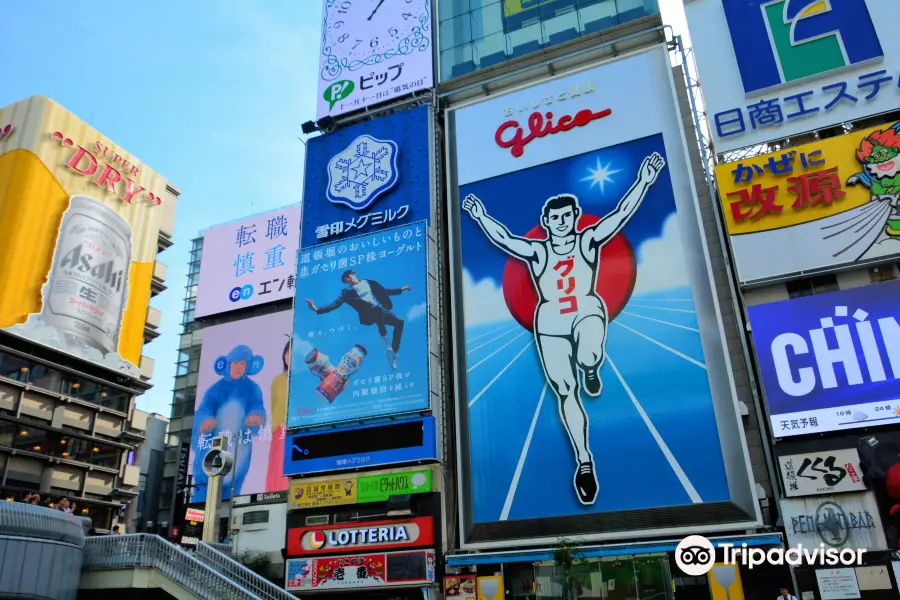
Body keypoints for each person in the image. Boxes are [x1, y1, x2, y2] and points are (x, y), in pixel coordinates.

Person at [462, 152, 665, 505]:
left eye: (566, 216)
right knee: (565, 391)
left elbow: (619, 216)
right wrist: (480, 217)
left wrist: (644, 181)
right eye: (554, 217)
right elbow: (506, 239)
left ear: (573, 217)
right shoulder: (538, 252)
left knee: (589, 354)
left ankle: (591, 368)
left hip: (586, 308)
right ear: (546, 221)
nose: (560, 222)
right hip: (551, 321)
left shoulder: (587, 241)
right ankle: (584, 462)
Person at [192, 344, 266, 498]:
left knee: (232, 491)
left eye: (242, 363)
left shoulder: (253, 389)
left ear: (248, 366)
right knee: (203, 495)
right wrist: (205, 420)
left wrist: (256, 417)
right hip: (213, 447)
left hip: (239, 448)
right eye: (235, 363)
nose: (238, 367)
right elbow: (204, 409)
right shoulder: (215, 389)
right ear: (228, 364)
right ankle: (197, 516)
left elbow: (257, 407)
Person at [305, 270, 412, 370]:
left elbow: (384, 291)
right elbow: (335, 304)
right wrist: (317, 309)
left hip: (379, 311)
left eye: (348, 276)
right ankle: (387, 348)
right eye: (345, 280)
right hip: (367, 314)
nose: (348, 279)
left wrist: (401, 289)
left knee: (399, 322)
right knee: (378, 309)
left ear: (354, 274)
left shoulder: (368, 282)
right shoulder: (347, 292)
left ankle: (393, 352)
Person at [266, 338, 291, 493]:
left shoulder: (303, 378)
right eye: (287, 352)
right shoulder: (277, 380)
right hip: (280, 430)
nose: (289, 356)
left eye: (293, 352)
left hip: (297, 429)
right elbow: (274, 405)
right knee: (278, 467)